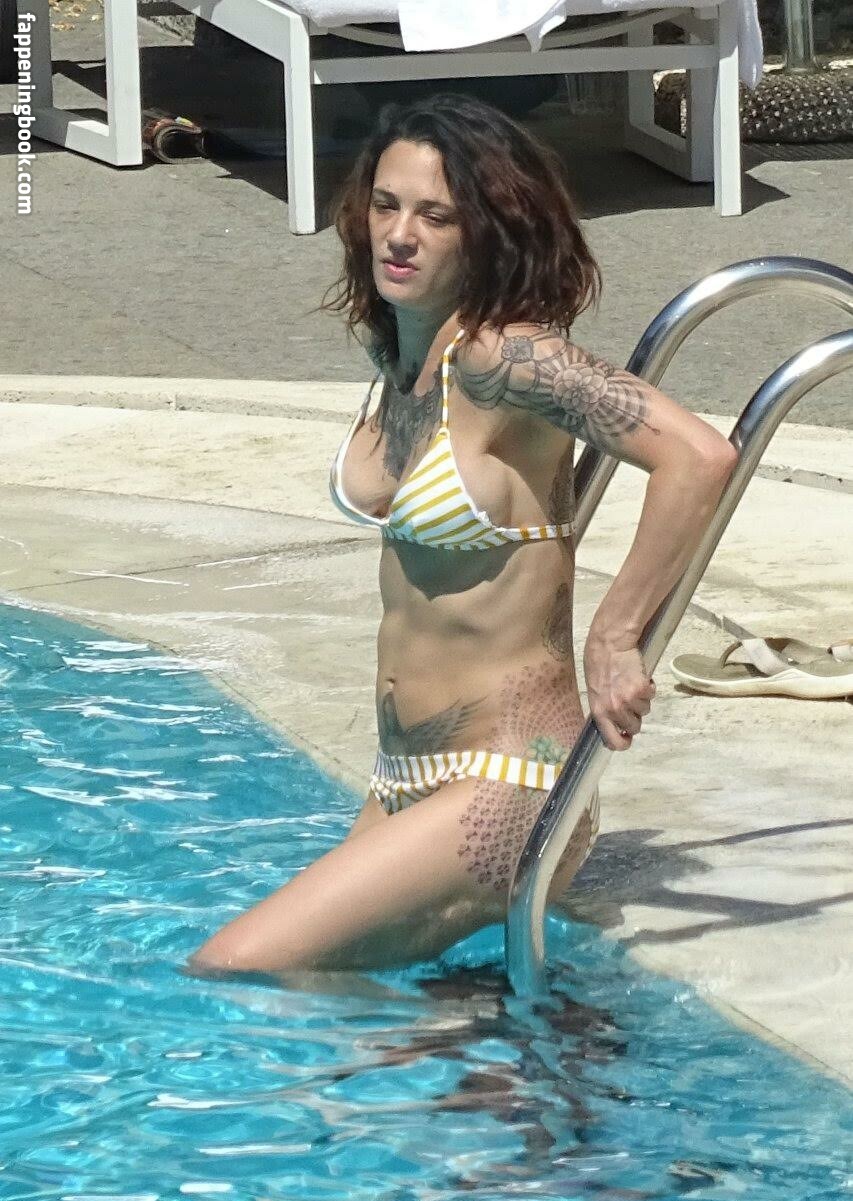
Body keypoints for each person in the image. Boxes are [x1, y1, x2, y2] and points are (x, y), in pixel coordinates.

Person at [186, 94, 736, 983]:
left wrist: (616, 633)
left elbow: (698, 457)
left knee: (236, 968)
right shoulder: (401, 357)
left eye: (435, 216)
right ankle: (510, 1047)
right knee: (350, 1035)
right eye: (385, 205)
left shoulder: (500, 357)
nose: (399, 235)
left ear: (485, 231)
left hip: (507, 777)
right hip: (403, 777)